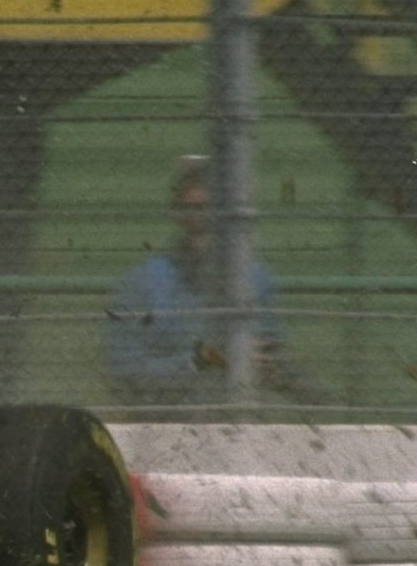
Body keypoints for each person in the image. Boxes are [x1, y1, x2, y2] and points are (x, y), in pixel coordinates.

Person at [102, 154, 290, 410]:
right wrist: (200, 361)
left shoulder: (256, 279)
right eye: (192, 209)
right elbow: (122, 369)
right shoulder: (144, 282)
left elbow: (276, 358)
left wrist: (266, 367)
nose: (201, 219)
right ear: (176, 213)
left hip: (239, 422)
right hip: (163, 424)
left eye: (211, 208)